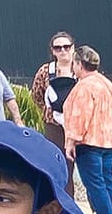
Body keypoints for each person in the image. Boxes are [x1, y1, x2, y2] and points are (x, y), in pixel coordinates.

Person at [62, 46, 112, 214]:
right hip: (109, 141)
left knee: (95, 183)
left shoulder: (84, 87)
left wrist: (72, 140)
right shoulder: (107, 84)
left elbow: (80, 116)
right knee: (108, 181)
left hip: (89, 142)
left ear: (79, 64)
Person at [29, 32, 79, 195]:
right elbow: (36, 94)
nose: (63, 50)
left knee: (87, 165)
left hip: (80, 124)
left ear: (73, 48)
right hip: (54, 124)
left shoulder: (81, 67)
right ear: (53, 50)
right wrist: (49, 109)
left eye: (66, 47)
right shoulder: (45, 70)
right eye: (58, 48)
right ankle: (65, 200)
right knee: (60, 163)